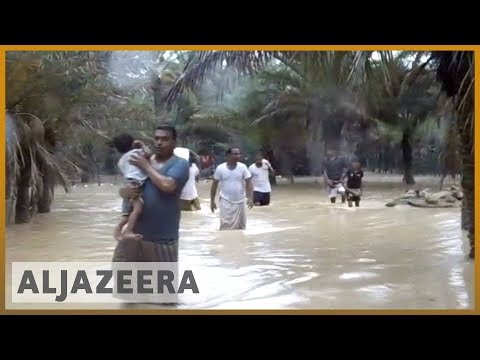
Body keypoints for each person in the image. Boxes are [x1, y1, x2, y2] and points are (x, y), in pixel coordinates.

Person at [112, 123, 190, 266]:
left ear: (174, 142)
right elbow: (124, 189)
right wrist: (125, 192)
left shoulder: (180, 164)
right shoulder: (141, 159)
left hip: (162, 239)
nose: (159, 142)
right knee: (124, 285)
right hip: (133, 238)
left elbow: (168, 185)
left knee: (163, 287)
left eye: (165, 139)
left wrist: (146, 166)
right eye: (157, 138)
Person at [111, 133, 152, 242]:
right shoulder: (136, 153)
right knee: (138, 208)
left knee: (126, 213)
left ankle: (117, 230)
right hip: (135, 183)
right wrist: (142, 144)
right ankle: (128, 231)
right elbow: (148, 153)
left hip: (128, 183)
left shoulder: (121, 161)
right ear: (133, 143)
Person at [210, 147, 254, 230]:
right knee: (225, 227)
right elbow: (214, 185)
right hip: (225, 201)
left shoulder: (243, 167)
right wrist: (212, 201)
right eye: (236, 154)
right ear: (229, 155)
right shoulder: (220, 168)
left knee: (241, 228)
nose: (238, 155)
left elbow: (249, 182)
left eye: (239, 154)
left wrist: (250, 198)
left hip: (240, 201)